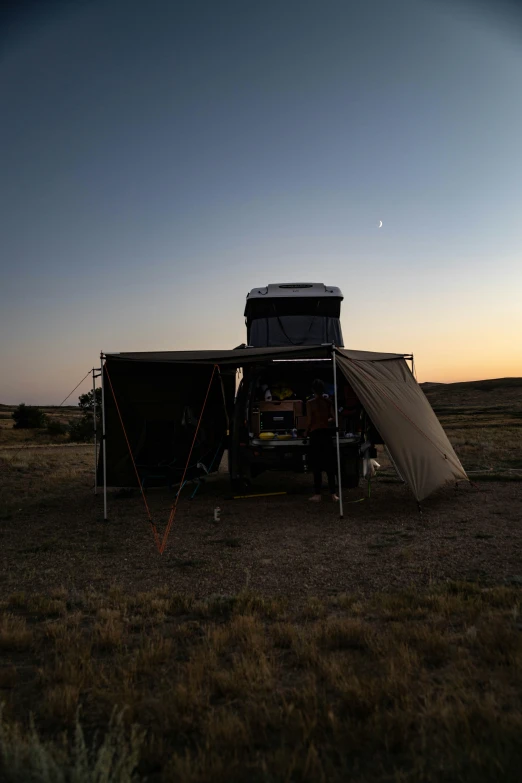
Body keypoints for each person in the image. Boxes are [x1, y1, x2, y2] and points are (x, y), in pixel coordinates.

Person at [305, 379, 339, 502]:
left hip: (315, 434)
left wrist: (305, 432)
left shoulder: (310, 403)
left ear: (313, 390)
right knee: (330, 465)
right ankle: (333, 494)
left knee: (317, 465)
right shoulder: (328, 402)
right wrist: (325, 420)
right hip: (326, 434)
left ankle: (318, 494)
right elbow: (334, 418)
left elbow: (309, 421)